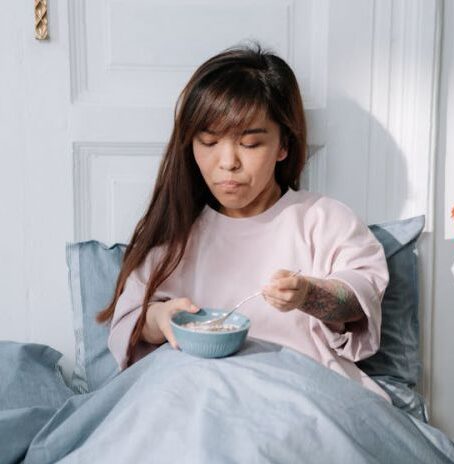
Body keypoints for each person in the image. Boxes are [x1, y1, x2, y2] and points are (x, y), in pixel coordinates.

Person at [96, 42, 391, 402]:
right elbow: (131, 321)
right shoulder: (176, 234)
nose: (227, 162)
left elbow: (358, 298)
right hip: (195, 399)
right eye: (208, 142)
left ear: (283, 145)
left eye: (250, 144)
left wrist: (309, 294)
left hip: (300, 398)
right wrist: (162, 320)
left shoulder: (323, 219)